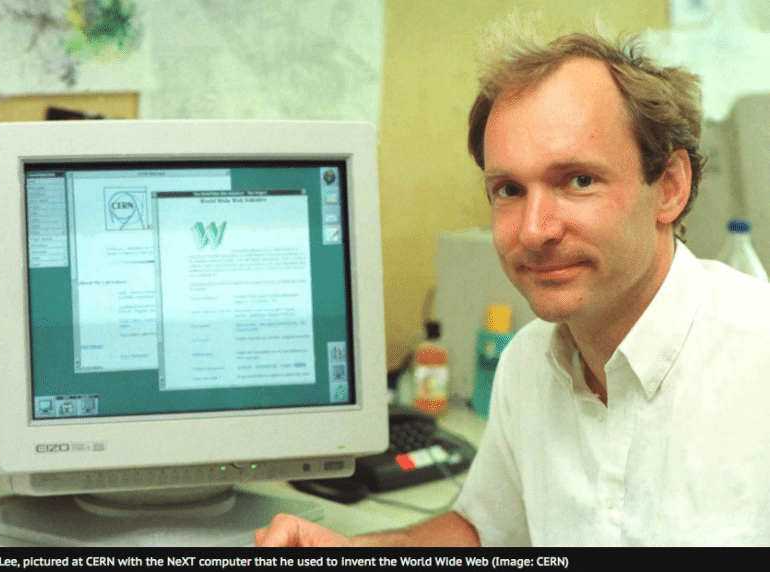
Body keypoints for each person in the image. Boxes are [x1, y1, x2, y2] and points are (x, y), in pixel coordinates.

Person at [256, 29, 770, 547]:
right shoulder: (527, 364)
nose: (533, 229)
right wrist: (358, 552)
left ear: (670, 187)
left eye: (578, 180)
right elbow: (484, 531)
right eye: (509, 190)